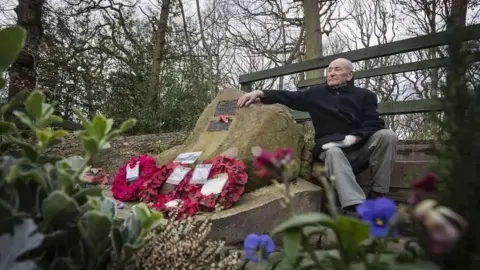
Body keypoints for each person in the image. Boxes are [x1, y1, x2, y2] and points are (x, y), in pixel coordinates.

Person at [237, 57, 397, 211]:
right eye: (329, 70)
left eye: (337, 69)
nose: (332, 73)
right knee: (334, 151)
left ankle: (378, 194)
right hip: (331, 148)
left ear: (349, 75)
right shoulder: (316, 93)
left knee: (387, 136)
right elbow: (289, 96)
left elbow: (374, 123)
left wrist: (354, 138)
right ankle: (357, 203)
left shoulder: (365, 95)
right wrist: (260, 93)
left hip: (360, 148)